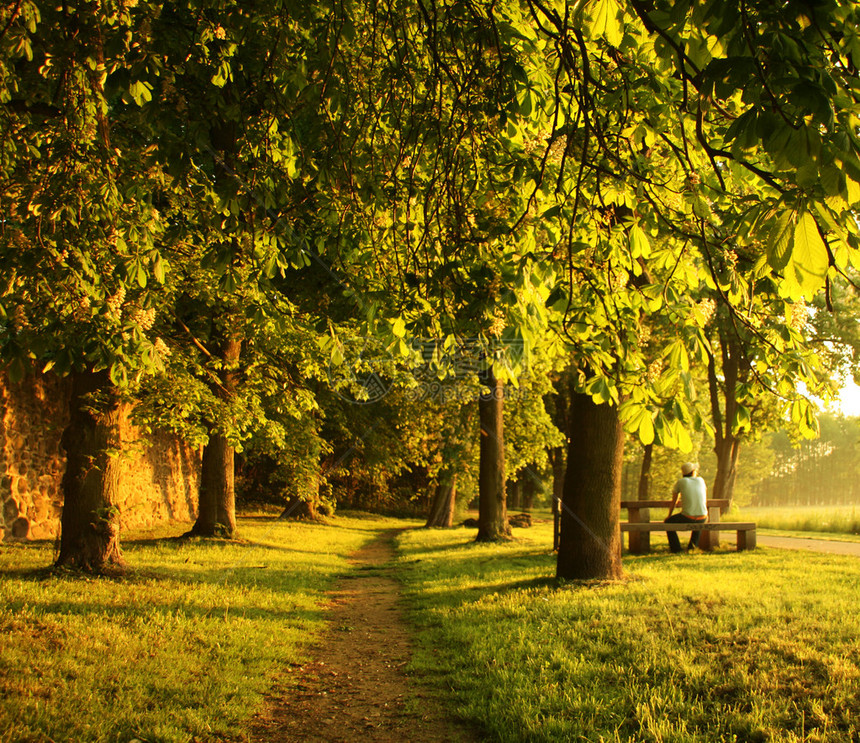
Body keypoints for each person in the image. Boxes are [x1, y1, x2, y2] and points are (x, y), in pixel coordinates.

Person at [664, 462, 708, 553]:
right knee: (699, 521)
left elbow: (674, 502)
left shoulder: (681, 482)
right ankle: (692, 548)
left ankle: (676, 549)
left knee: (668, 522)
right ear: (693, 472)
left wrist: (669, 515)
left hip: (688, 517)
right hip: (703, 516)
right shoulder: (701, 480)